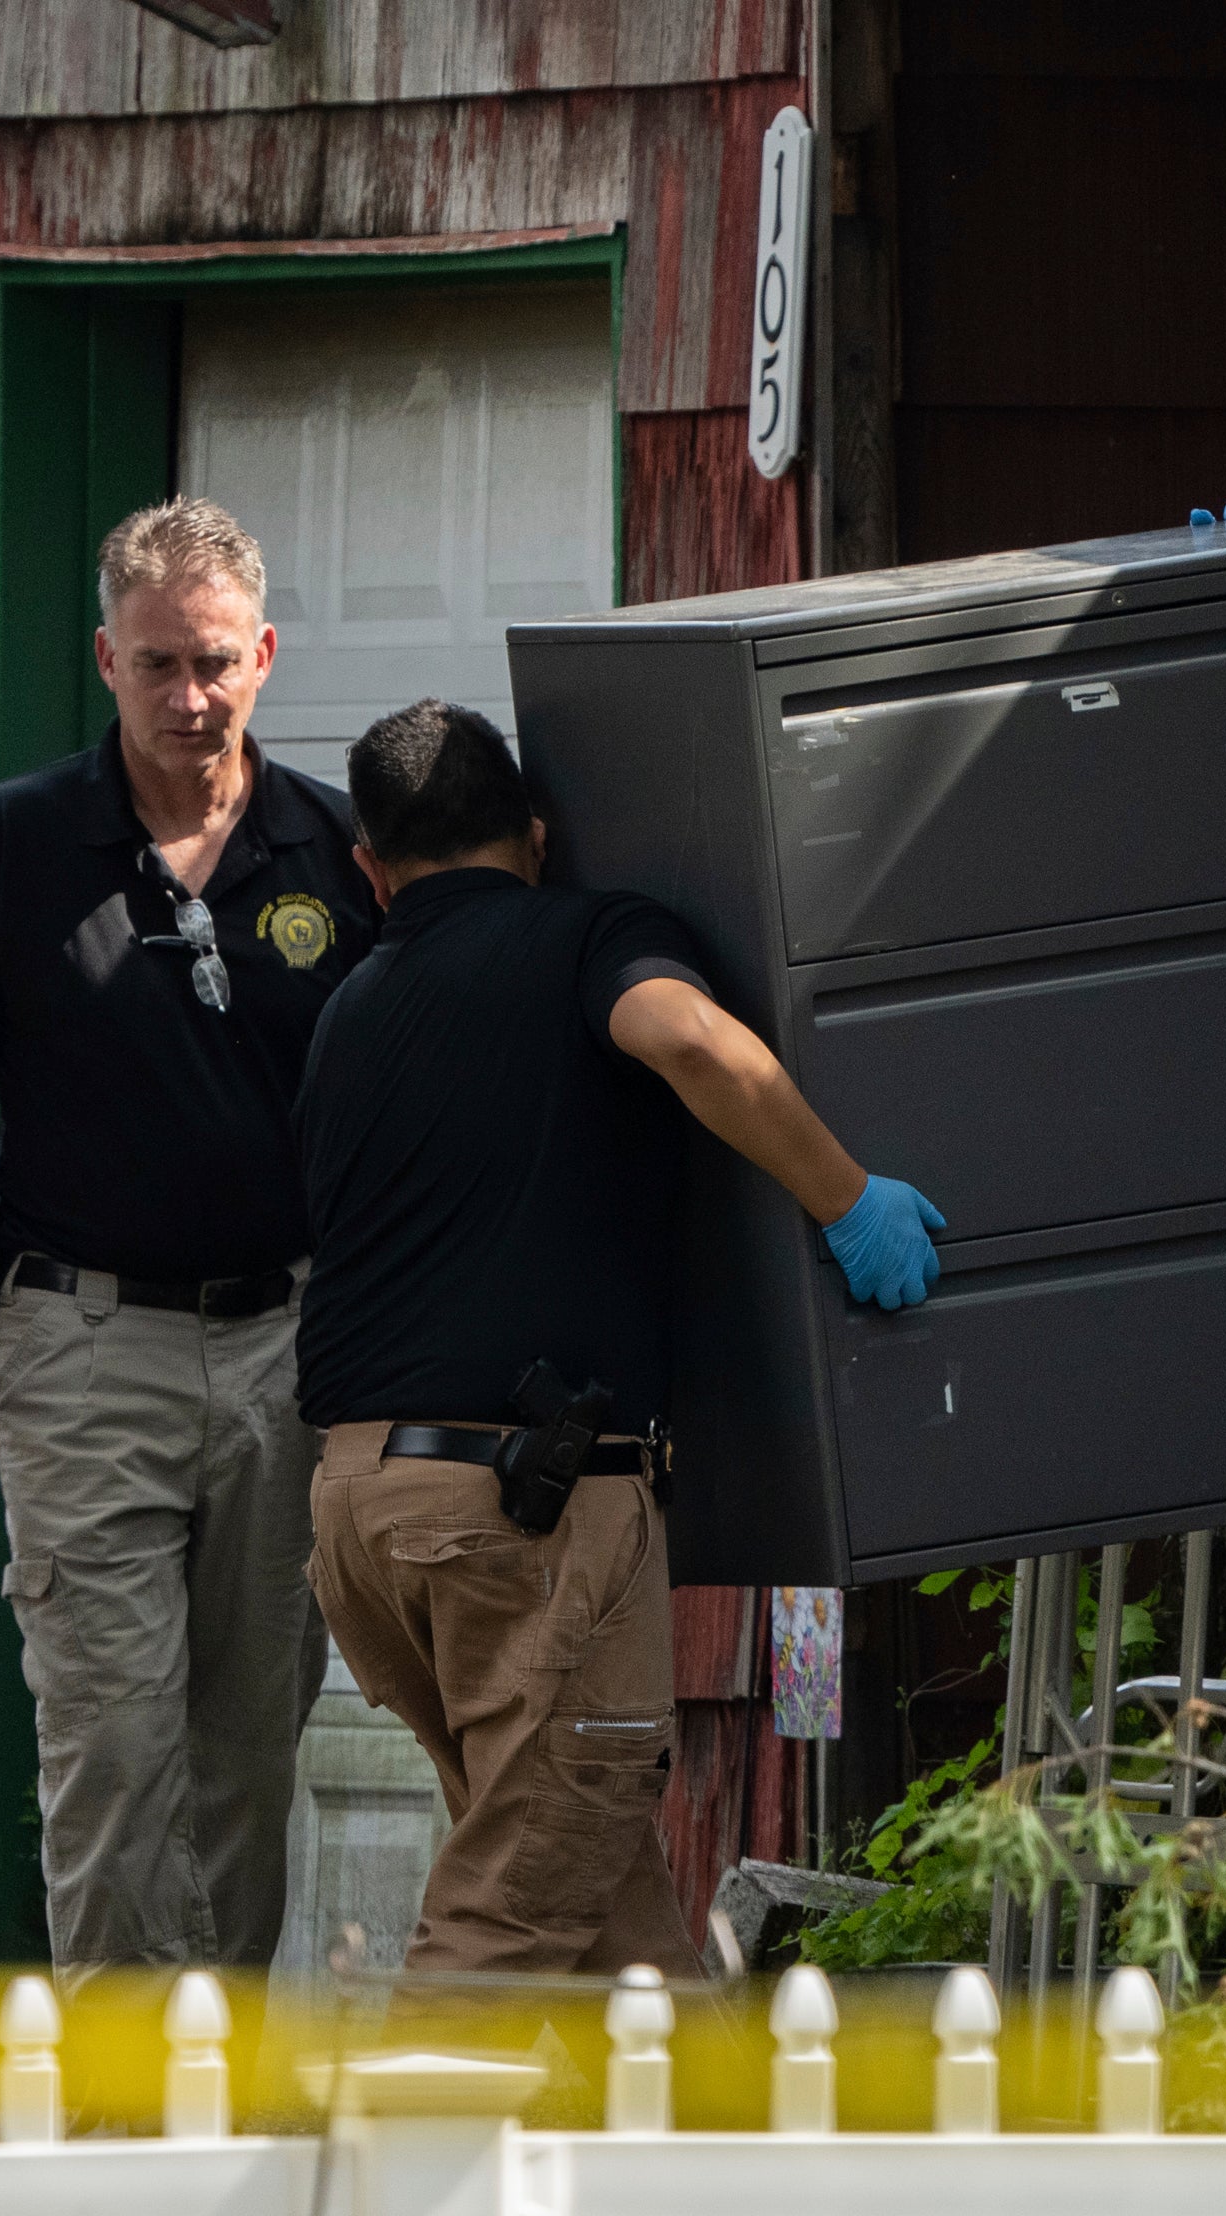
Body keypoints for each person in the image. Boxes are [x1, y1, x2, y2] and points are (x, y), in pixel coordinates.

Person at [292, 698, 946, 1975]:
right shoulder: (589, 936)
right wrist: (845, 1197)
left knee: (598, 1900)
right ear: (534, 835)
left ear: (370, 871)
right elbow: (687, 1037)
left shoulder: (347, 1013)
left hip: (362, 1509)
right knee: (512, 1916)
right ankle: (380, 2178)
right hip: (522, 1512)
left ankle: (682, 2170)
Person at [0, 497, 378, 1974]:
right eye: (157, 665)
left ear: (265, 654)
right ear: (104, 661)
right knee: (113, 1736)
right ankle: (129, 2134)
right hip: (84, 1342)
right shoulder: (18, 844)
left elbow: (414, 1110)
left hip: (289, 1345)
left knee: (251, 1740)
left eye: (215, 661)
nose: (189, 697)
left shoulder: (338, 852)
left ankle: (233, 2108)